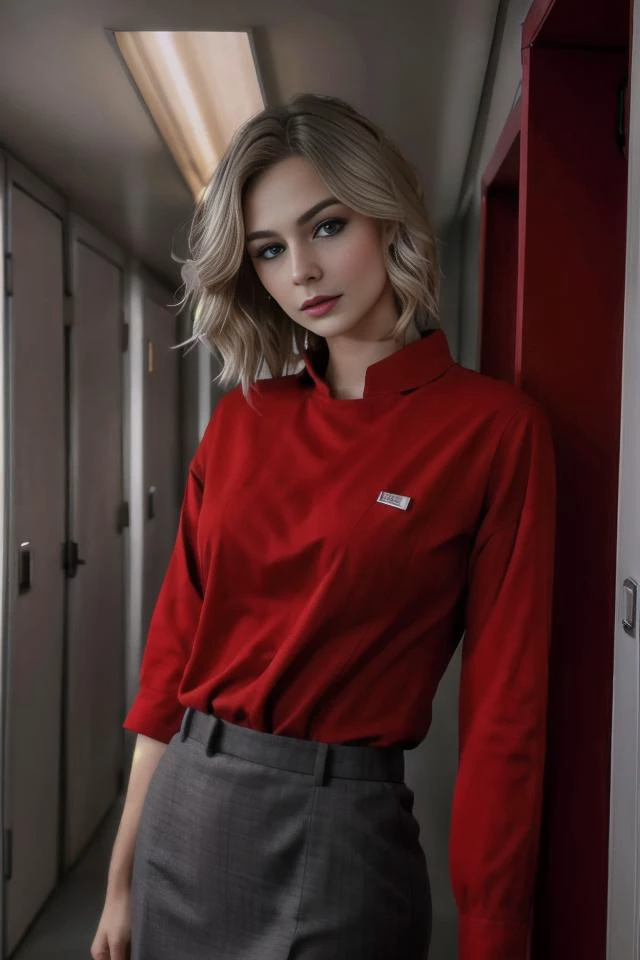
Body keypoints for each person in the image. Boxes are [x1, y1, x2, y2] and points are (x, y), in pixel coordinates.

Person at [91, 92, 556, 960]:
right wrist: (119, 883)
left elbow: (507, 716)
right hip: (186, 814)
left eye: (326, 227)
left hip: (347, 831)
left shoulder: (493, 430)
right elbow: (168, 673)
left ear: (385, 217)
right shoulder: (242, 421)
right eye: (270, 249)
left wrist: (496, 934)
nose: (301, 269)